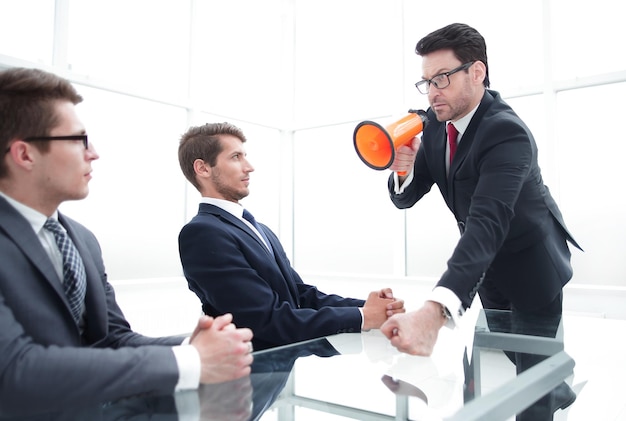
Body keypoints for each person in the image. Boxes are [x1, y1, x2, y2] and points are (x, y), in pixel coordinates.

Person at [0, 67, 254, 418]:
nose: (94, 153)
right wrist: (189, 360)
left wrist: (194, 345)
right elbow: (14, 370)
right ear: (25, 155)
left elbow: (112, 339)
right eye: (78, 140)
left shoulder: (82, 240)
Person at [378, 23, 582, 420]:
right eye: (426, 82)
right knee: (512, 350)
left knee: (532, 383)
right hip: (486, 267)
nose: (432, 90)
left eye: (442, 78)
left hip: (531, 262)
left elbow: (487, 222)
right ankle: (557, 384)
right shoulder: (435, 125)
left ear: (477, 72)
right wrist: (402, 170)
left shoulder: (507, 133)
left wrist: (434, 312)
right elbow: (406, 197)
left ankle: (549, 390)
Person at [177, 122, 405, 351]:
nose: (249, 167)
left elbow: (300, 295)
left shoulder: (260, 228)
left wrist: (372, 307)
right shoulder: (202, 234)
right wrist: (363, 316)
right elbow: (267, 320)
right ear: (203, 169)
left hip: (278, 372)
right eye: (236, 157)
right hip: (245, 377)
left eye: (245, 156)